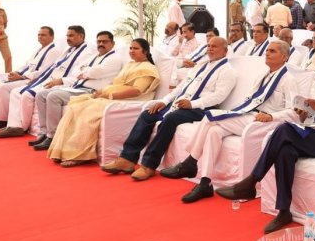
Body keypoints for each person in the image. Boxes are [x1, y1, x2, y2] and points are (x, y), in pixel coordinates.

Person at [216, 48, 315, 233]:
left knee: (285, 129)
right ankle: (283, 211)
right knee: (285, 150)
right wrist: (304, 115)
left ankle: (251, 181)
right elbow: (314, 120)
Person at [160, 40, 300, 202]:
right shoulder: (263, 76)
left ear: (284, 57)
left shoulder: (289, 79)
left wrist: (272, 116)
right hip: (250, 115)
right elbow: (250, 100)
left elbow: (294, 112)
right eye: (267, 50)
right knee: (214, 132)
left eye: (273, 51)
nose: (267, 53)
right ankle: (205, 182)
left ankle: (191, 161)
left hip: (266, 122)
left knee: (210, 116)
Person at [101, 37, 235, 180]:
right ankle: (127, 159)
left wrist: (192, 104)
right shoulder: (200, 66)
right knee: (148, 114)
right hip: (182, 103)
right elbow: (181, 87)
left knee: (171, 118)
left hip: (201, 108)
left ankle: (149, 165)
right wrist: (164, 101)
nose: (210, 48)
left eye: (214, 46)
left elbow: (219, 96)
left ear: (225, 51)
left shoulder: (228, 71)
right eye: (208, 46)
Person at [46, 38, 160, 166]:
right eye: (131, 48)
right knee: (76, 106)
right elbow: (116, 82)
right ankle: (62, 151)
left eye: (136, 48)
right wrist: (102, 92)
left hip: (127, 100)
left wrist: (110, 95)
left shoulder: (148, 68)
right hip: (111, 96)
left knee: (88, 112)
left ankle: (79, 155)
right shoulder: (130, 64)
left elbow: (137, 91)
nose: (132, 51)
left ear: (145, 51)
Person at [0, 25, 95, 139]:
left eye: (71, 35)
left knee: (25, 93)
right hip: (46, 78)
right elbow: (48, 66)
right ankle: (12, 124)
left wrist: (59, 80)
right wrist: (19, 73)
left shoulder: (87, 51)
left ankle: (20, 127)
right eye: (67, 35)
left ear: (81, 36)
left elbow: (77, 73)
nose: (68, 38)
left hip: (62, 82)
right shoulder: (69, 49)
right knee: (6, 86)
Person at [33, 31, 122, 149]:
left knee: (53, 96)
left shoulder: (114, 59)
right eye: (99, 41)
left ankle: (52, 137)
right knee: (41, 95)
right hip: (77, 87)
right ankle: (44, 133)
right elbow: (75, 71)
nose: (101, 44)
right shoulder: (94, 56)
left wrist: (85, 71)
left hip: (91, 91)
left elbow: (95, 72)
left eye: (104, 41)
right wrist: (85, 72)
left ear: (112, 43)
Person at [0, 26, 57, 130]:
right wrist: (15, 72)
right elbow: (26, 64)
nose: (40, 37)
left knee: (4, 87)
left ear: (52, 37)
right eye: (39, 35)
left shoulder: (53, 51)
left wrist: (21, 76)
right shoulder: (38, 49)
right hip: (23, 76)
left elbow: (43, 71)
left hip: (31, 79)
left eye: (43, 35)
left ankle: (2, 120)